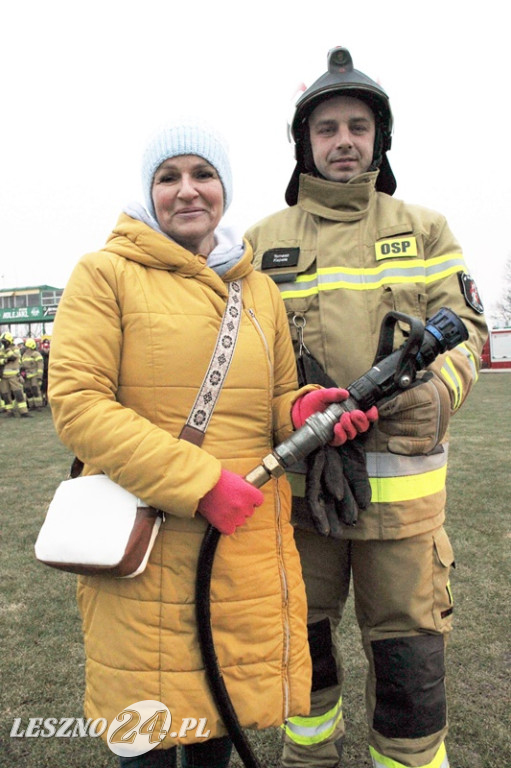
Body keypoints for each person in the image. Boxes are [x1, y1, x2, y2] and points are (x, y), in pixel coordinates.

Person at [48, 120, 374, 768]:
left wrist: (302, 410)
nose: (187, 190)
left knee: (216, 732)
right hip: (148, 546)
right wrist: (197, 485)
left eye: (203, 175)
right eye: (169, 177)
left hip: (241, 551)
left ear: (223, 188)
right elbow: (78, 403)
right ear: (148, 192)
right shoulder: (104, 274)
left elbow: (276, 401)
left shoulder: (253, 290)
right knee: (146, 739)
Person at [246, 47, 488, 768]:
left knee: (409, 657)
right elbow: (243, 359)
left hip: (404, 505)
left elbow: (467, 334)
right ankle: (310, 758)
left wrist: (429, 395)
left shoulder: (426, 227)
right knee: (304, 644)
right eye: (327, 128)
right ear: (304, 144)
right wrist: (289, 408)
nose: (344, 140)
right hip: (300, 500)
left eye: (357, 125)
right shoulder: (261, 242)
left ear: (379, 138)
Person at [0, 331, 31, 417]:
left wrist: (7, 350)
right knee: (5, 394)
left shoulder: (15, 349)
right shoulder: (1, 349)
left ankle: (24, 412)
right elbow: (2, 359)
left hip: (14, 375)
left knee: (18, 393)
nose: (3, 343)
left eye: (4, 341)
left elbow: (12, 357)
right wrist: (4, 361)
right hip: (3, 376)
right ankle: (9, 411)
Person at [21, 338, 44, 410]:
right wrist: (22, 372)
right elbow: (22, 365)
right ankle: (31, 405)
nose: (26, 348)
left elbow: (40, 365)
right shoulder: (24, 355)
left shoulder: (36, 354)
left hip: (35, 375)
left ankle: (38, 405)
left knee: (35, 389)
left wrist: (39, 376)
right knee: (28, 390)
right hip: (27, 376)